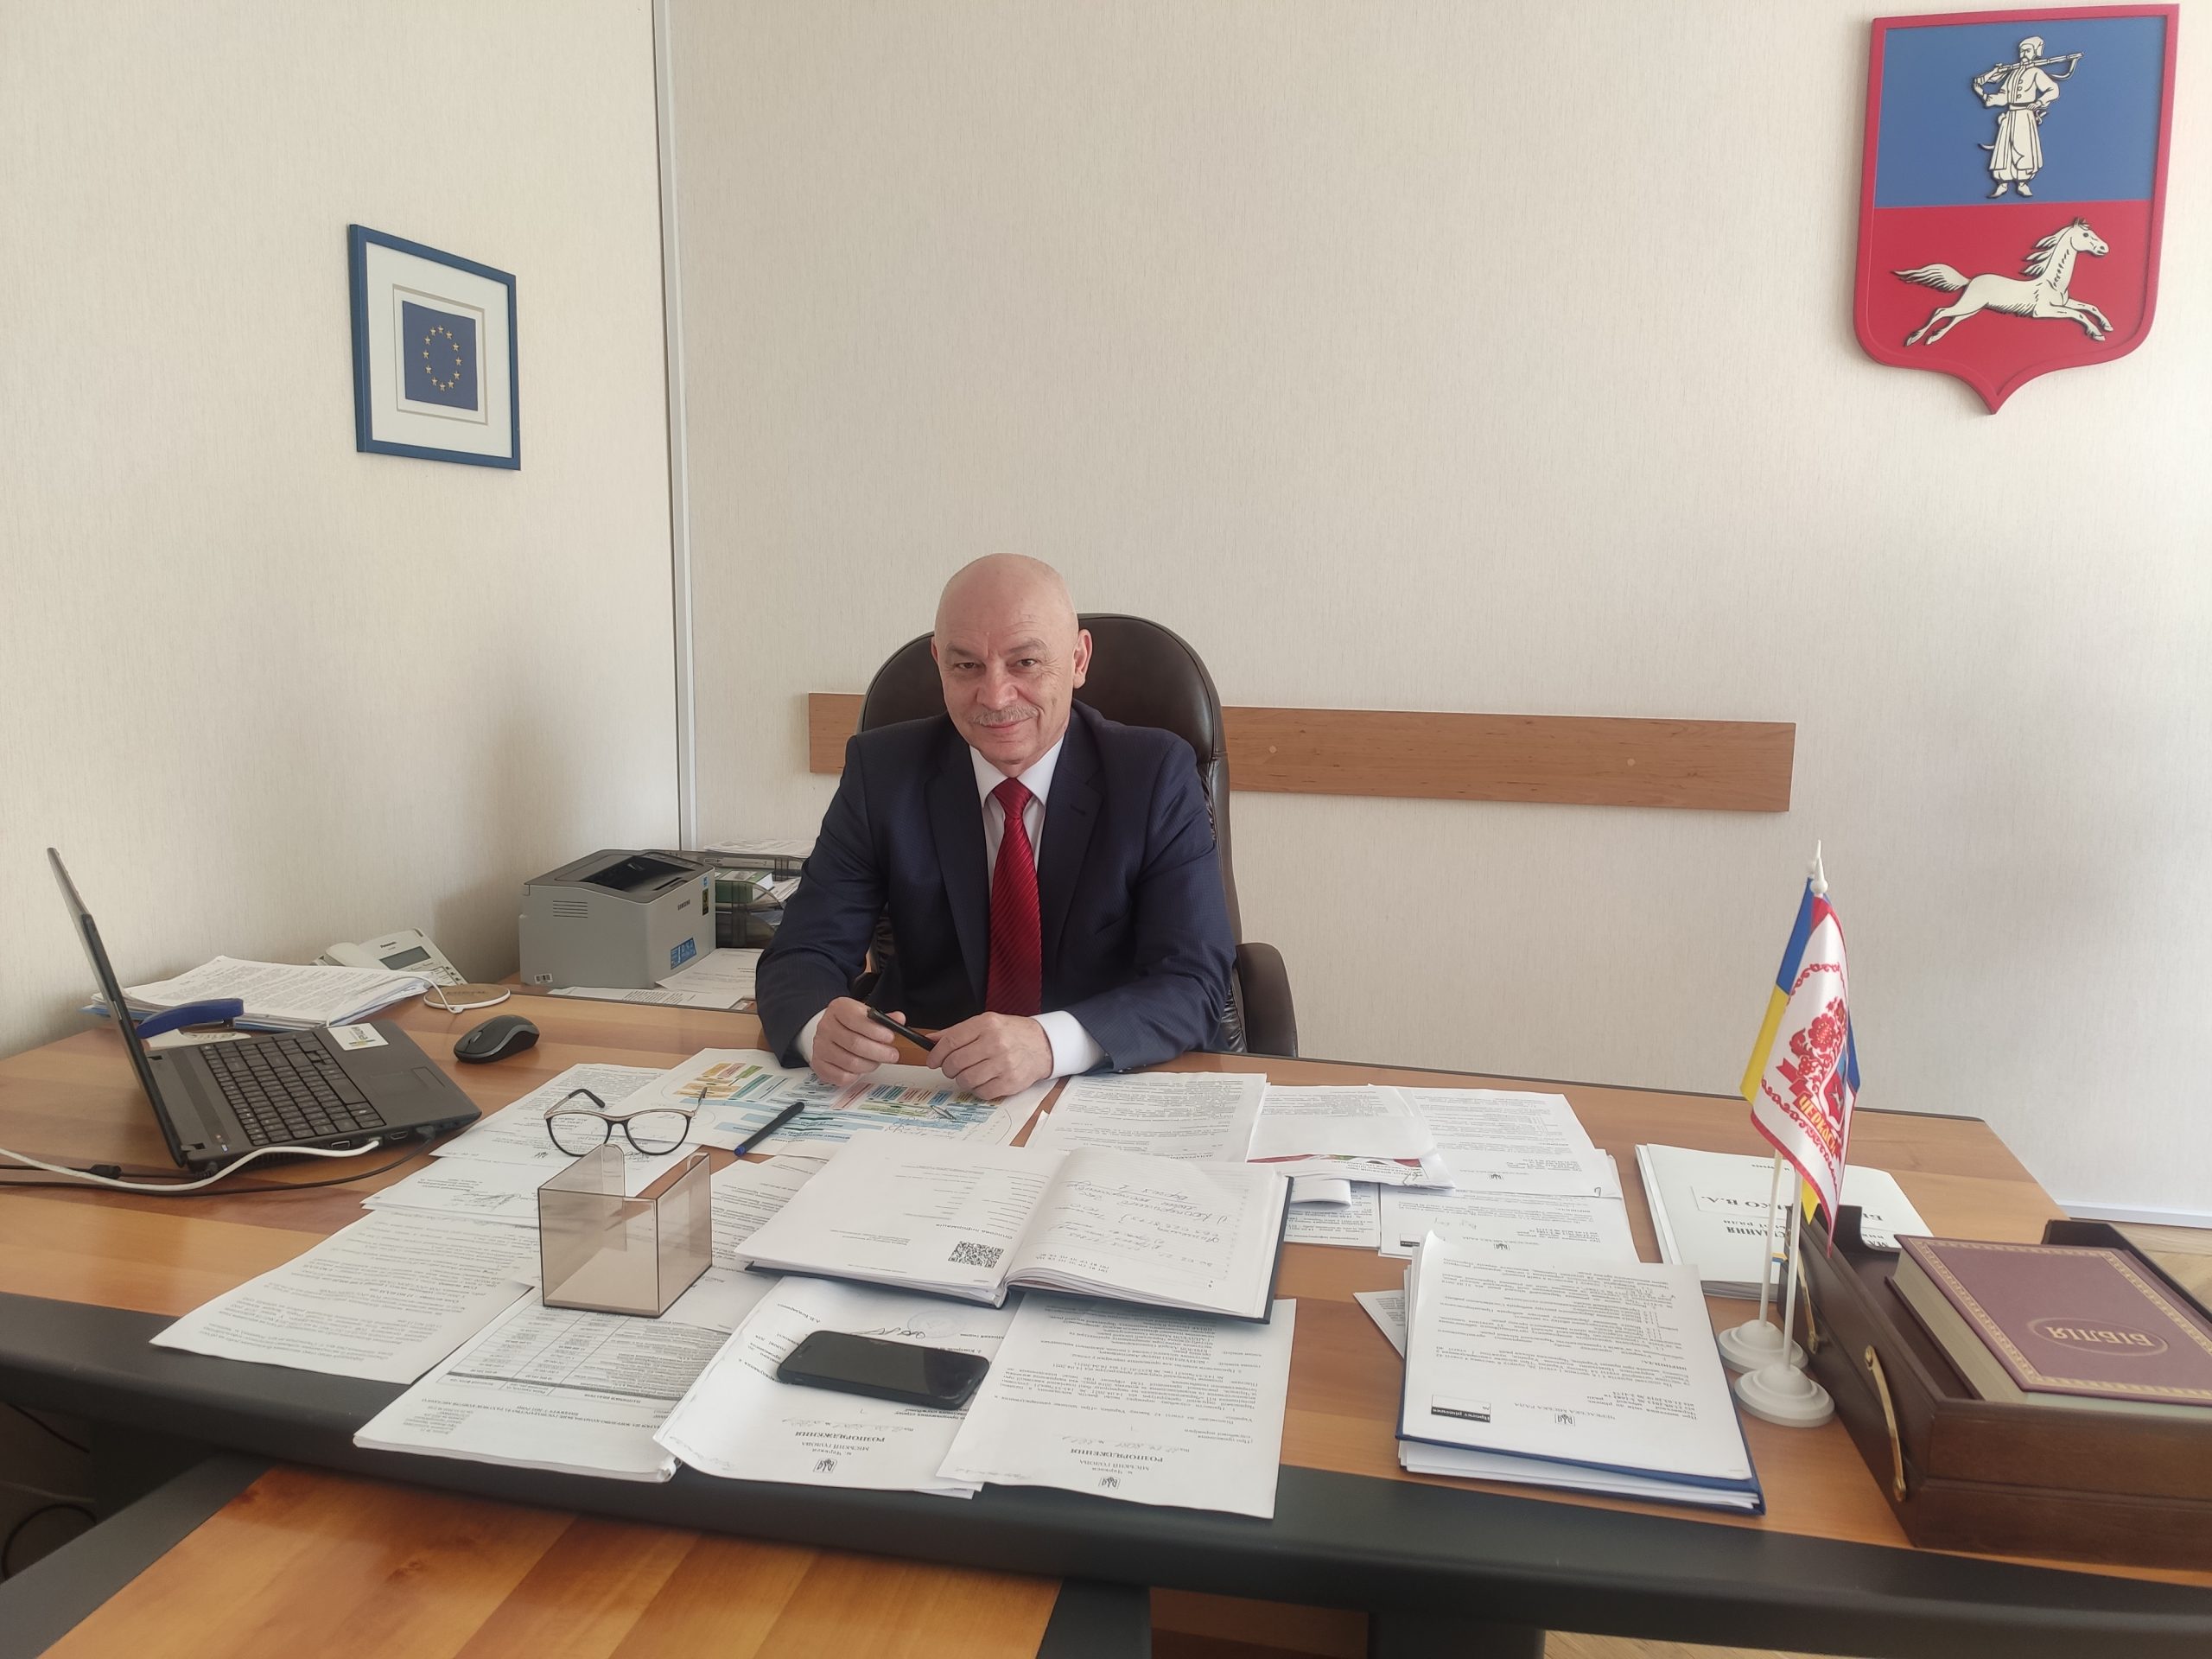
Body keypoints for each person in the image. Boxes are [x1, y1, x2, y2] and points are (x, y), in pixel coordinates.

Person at [756, 555, 1236, 1101]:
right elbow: (801, 953)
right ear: (938, 663)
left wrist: (1049, 1043)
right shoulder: (883, 773)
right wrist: (818, 1027)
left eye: (1025, 662)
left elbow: (1193, 982)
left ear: (1078, 660)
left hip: (1097, 1089)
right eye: (967, 666)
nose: (995, 696)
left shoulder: (1153, 775)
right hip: (927, 1085)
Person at [1975, 35, 2062, 199]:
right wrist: (1986, 97)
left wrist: (2039, 102)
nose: (2023, 54)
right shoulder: (2013, 73)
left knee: (2023, 148)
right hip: (2010, 115)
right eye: (2021, 51)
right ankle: (2002, 184)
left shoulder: (2036, 72)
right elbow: (2004, 96)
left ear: (2035, 53)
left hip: (2025, 115)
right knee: (2004, 149)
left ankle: (2023, 183)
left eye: (2027, 50)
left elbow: (2053, 90)